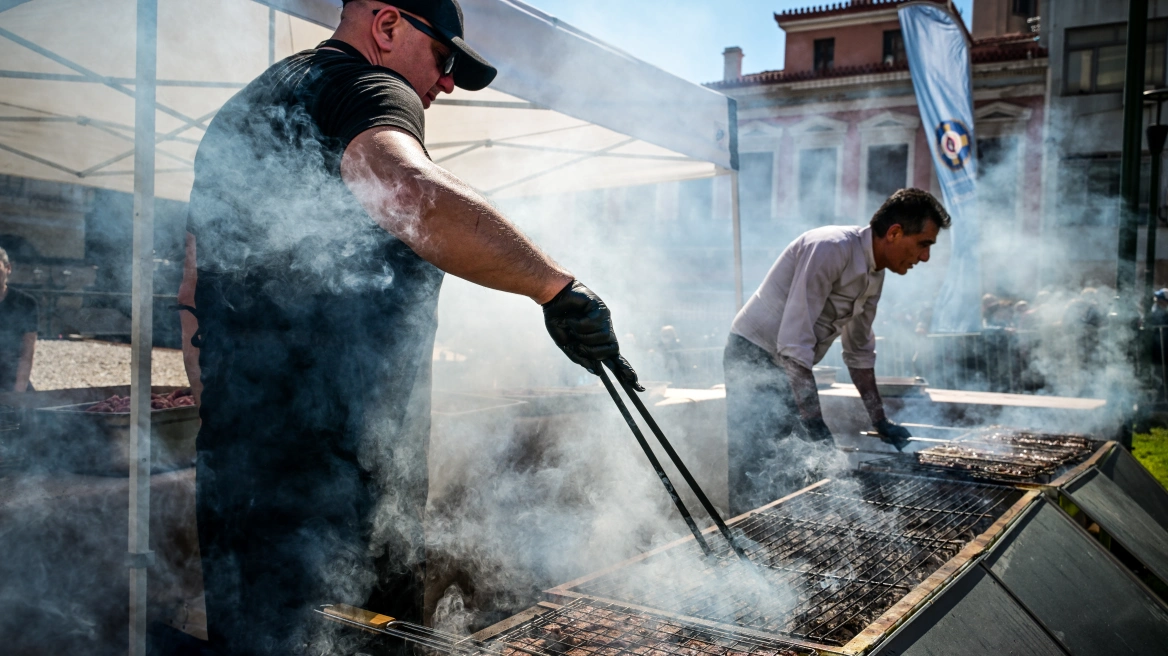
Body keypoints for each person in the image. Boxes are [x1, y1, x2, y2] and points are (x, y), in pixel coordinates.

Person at [176, 1, 640, 653]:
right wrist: (554, 289)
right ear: (387, 27)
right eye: (443, 58)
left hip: (236, 479)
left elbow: (191, 288)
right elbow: (403, 185)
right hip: (343, 493)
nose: (446, 82)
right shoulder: (367, 85)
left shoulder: (240, 113)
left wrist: (230, 418)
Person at [723, 188, 950, 515]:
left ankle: (781, 533)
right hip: (753, 355)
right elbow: (793, 343)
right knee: (755, 457)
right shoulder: (830, 248)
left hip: (787, 365)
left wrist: (880, 420)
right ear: (895, 232)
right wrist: (815, 422)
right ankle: (744, 539)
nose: (925, 257)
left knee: (792, 460)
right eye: (924, 244)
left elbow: (858, 351)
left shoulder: (875, 275)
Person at [0, 246, 37, 393]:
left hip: (12, 377)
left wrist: (19, 392)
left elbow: (27, 352)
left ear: (8, 268)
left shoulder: (26, 303)